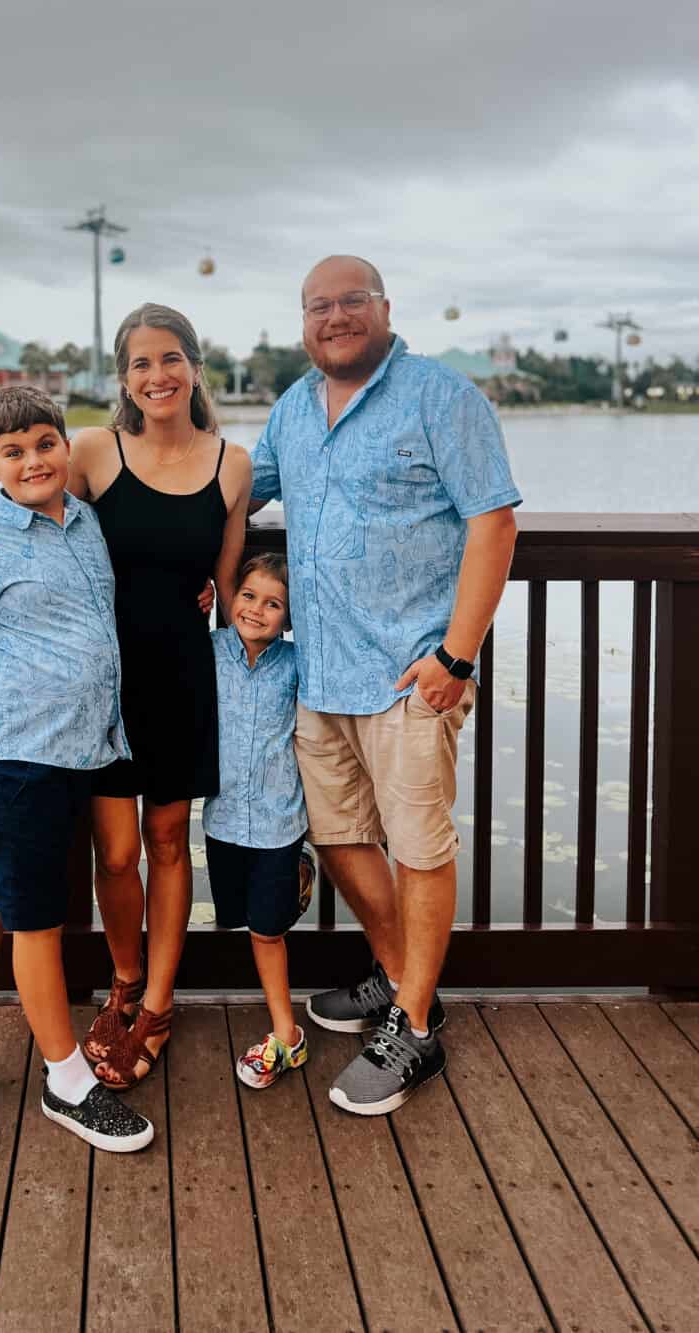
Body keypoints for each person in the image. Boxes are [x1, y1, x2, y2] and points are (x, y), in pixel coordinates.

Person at [0, 305, 252, 1091]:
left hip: (180, 672)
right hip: (100, 690)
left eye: (172, 358)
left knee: (170, 840)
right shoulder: (90, 451)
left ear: (196, 366)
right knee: (115, 850)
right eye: (142, 363)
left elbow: (227, 579)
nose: (159, 375)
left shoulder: (234, 464)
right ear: (123, 378)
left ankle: (156, 1001)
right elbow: (25, 508)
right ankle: (121, 977)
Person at [249, 255, 521, 1115]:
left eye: (350, 302)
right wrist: (73, 489)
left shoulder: (442, 396)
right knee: (337, 838)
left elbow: (494, 520)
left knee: (418, 845)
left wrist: (457, 655)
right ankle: (406, 980)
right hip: (319, 671)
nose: (335, 317)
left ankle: (411, 1029)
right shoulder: (292, 408)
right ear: (303, 322)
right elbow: (224, 492)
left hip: (412, 672)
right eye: (318, 306)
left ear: (384, 308)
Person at [0, 385, 153, 1153]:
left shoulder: (86, 520)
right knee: (38, 917)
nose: (32, 460)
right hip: (16, 754)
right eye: (12, 452)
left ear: (65, 447)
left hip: (82, 746)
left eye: (44, 443)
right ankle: (66, 1081)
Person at [203, 552, 313, 1089]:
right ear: (230, 597)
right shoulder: (208, 651)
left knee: (268, 931)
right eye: (248, 596)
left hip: (277, 823)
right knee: (238, 917)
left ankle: (287, 1034)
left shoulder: (298, 662)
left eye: (274, 604)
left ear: (290, 618)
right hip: (221, 820)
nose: (256, 610)